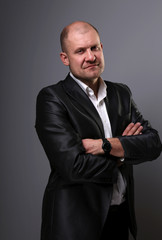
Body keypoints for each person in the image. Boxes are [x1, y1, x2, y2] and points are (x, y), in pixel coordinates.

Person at [35, 21, 162, 240]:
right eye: (80, 51)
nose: (91, 56)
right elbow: (73, 166)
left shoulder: (121, 93)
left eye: (94, 48)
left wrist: (104, 145)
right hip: (75, 224)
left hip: (120, 218)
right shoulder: (52, 98)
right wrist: (123, 152)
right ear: (65, 58)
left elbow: (153, 143)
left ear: (102, 48)